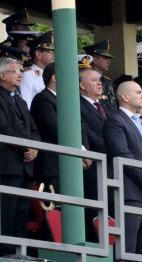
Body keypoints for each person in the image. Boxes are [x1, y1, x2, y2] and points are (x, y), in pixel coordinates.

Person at [0, 58, 40, 257]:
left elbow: (33, 129)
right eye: (15, 71)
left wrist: (35, 148)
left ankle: (19, 252)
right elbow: (1, 128)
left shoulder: (21, 100)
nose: (20, 75)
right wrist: (25, 146)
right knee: (6, 212)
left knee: (22, 211)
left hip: (25, 166)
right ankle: (3, 254)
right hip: (8, 166)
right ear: (2, 75)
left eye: (20, 72)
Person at [103, 81, 142, 256]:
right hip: (130, 194)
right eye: (138, 92)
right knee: (127, 247)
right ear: (125, 97)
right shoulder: (114, 121)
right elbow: (123, 155)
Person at [30, 62, 91, 194]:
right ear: (55, 78)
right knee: (55, 211)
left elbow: (80, 128)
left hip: (71, 165)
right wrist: (80, 152)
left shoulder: (69, 101)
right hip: (52, 167)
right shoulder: (43, 99)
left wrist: (85, 152)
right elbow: (56, 129)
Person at [78, 56, 116, 241]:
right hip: (95, 170)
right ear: (82, 86)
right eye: (94, 80)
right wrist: (113, 147)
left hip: (112, 170)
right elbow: (86, 133)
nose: (100, 83)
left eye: (99, 80)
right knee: (96, 216)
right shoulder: (76, 105)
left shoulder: (108, 106)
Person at [20, 31, 54, 109]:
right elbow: (27, 104)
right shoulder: (28, 75)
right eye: (49, 51)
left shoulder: (52, 75)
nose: (54, 55)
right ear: (38, 54)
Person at [83, 39, 117, 109]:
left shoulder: (107, 81)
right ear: (95, 60)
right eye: (105, 58)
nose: (108, 62)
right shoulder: (84, 79)